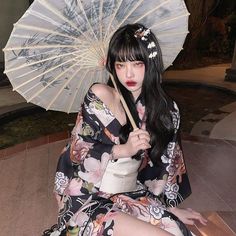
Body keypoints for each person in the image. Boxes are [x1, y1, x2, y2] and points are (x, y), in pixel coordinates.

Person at [43, 23, 207, 236]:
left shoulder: (167, 110)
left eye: (137, 64)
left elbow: (167, 161)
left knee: (179, 232)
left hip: (132, 195)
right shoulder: (100, 96)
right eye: (120, 65)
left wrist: (171, 208)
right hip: (90, 199)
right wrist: (123, 150)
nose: (128, 74)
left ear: (150, 63)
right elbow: (77, 150)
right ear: (112, 66)